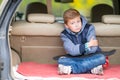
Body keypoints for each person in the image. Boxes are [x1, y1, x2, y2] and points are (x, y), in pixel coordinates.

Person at [58, 8, 115, 75]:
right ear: (66, 25)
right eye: (72, 23)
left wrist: (81, 49)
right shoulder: (64, 34)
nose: (76, 25)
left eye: (78, 21)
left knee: (102, 58)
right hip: (75, 58)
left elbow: (93, 49)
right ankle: (91, 69)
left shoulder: (89, 28)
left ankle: (72, 69)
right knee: (61, 60)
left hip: (91, 56)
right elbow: (72, 51)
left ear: (81, 20)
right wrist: (87, 45)